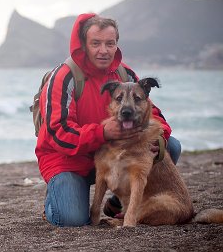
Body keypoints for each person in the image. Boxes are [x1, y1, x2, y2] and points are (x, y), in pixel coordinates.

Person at [35, 13, 181, 227]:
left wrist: (160, 138)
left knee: (171, 146)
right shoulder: (64, 76)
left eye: (109, 43)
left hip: (108, 155)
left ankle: (118, 201)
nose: (103, 50)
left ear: (116, 45)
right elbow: (59, 133)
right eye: (96, 43)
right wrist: (103, 133)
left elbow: (151, 111)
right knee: (72, 219)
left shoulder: (124, 73)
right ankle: (56, 197)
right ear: (84, 45)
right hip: (68, 160)